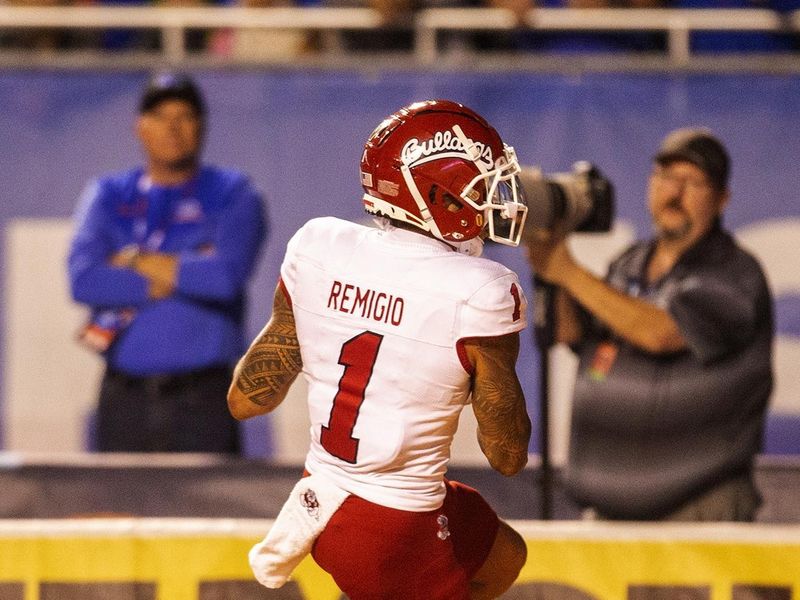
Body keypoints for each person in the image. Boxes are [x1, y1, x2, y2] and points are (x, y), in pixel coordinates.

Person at [228, 100, 531, 598]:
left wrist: (337, 318)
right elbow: (507, 454)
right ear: (438, 193)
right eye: (482, 186)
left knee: (503, 553)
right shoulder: (481, 290)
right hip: (393, 521)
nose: (495, 199)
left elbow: (246, 400)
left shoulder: (319, 245)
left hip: (324, 490)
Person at [526, 127, 774, 521]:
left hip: (698, 512)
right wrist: (549, 261)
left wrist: (569, 272)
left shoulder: (734, 272)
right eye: (664, 177)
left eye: (691, 182)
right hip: (608, 511)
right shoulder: (629, 263)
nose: (674, 192)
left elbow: (662, 332)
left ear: (722, 199)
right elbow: (573, 335)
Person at [68, 72, 268, 454]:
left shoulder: (234, 193)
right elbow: (85, 280)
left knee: (209, 514)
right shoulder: (108, 194)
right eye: (160, 116)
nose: (172, 128)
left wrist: (131, 259)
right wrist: (182, 269)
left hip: (203, 400)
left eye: (185, 117)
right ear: (140, 126)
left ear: (202, 126)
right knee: (116, 513)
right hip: (124, 397)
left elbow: (224, 277)